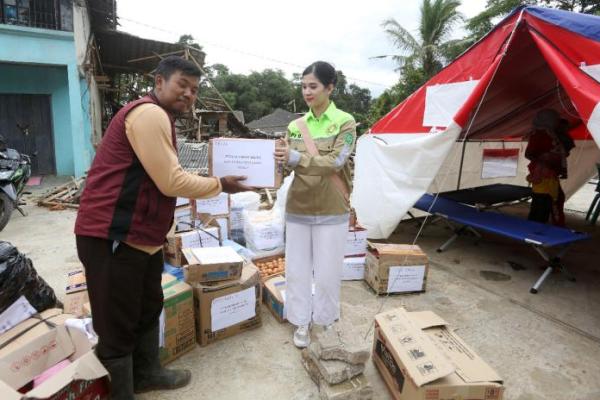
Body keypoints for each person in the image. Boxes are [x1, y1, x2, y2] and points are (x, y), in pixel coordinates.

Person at [74, 56, 251, 399]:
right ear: (159, 83)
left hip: (141, 239)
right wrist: (219, 184)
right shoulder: (149, 114)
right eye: (181, 85)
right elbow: (170, 181)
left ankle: (147, 373)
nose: (188, 94)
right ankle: (122, 391)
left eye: (194, 90)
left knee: (147, 306)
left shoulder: (161, 118)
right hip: (114, 236)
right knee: (116, 326)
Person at [274, 61, 356, 348]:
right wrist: (278, 162)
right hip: (298, 207)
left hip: (333, 208)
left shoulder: (345, 122)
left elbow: (336, 161)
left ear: (330, 87)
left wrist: (296, 159)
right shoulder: (295, 127)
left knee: (327, 273)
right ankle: (300, 322)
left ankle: (325, 320)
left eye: (313, 86)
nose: (307, 92)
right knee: (296, 271)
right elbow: (286, 169)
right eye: (303, 86)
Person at [525, 109, 572, 226]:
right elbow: (529, 154)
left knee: (551, 200)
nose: (557, 121)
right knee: (542, 204)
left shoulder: (550, 133)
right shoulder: (538, 134)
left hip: (550, 174)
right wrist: (545, 159)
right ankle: (536, 232)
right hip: (542, 176)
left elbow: (562, 151)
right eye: (555, 119)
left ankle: (541, 228)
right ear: (548, 120)